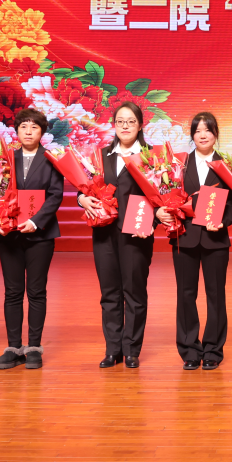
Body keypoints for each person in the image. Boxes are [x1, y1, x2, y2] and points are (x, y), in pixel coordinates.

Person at [78, 101, 155, 368]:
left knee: (134, 291)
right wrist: (80, 199)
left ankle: (131, 349)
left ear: (140, 125)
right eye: (120, 121)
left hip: (136, 231)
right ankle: (113, 349)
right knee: (109, 291)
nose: (125, 126)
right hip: (104, 232)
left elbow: (162, 194)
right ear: (114, 125)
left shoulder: (151, 157)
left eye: (131, 121)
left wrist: (153, 221)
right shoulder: (101, 156)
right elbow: (84, 187)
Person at [164, 112, 232, 370]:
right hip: (184, 237)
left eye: (208, 130)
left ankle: (213, 350)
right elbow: (167, 195)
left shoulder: (228, 165)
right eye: (197, 131)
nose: (203, 135)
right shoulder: (179, 164)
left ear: (216, 134)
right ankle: (189, 350)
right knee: (185, 294)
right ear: (192, 135)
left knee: (216, 295)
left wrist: (224, 221)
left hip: (215, 238)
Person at [0, 108, 64, 370]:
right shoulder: (4, 159)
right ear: (16, 131)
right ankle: (13, 347)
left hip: (41, 234)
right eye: (23, 126)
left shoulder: (52, 159)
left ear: (42, 132)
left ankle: (34, 347)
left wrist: (35, 221)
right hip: (9, 233)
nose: (28, 131)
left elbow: (56, 195)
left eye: (34, 127)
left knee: (36, 291)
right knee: (12, 292)